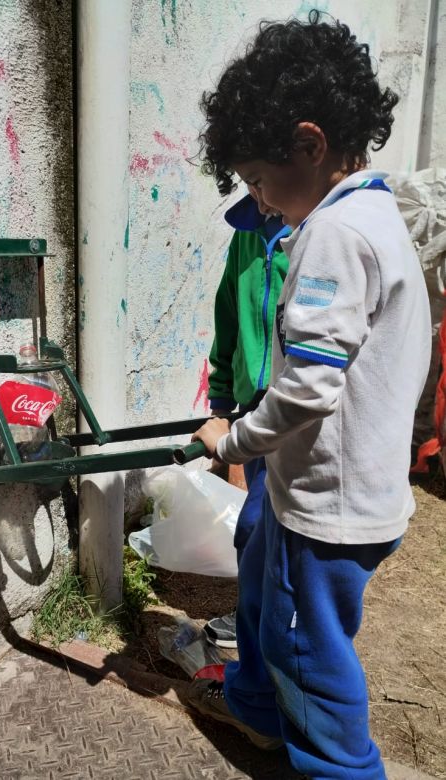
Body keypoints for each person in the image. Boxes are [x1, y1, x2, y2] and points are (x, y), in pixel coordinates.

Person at [188, 11, 431, 779]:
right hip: (342, 494)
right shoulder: (374, 218)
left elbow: (310, 388)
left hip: (325, 511)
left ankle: (340, 768)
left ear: (310, 144)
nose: (258, 200)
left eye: (260, 179)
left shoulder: (333, 235)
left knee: (308, 652)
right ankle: (257, 712)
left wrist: (231, 442)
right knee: (264, 599)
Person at [204, 194, 289, 649]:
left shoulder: (311, 232)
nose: (256, 191)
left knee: (260, 521)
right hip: (251, 399)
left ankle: (265, 623)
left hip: (292, 398)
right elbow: (228, 311)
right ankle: (260, 615)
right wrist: (221, 389)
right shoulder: (247, 234)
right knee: (258, 520)